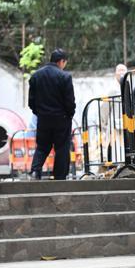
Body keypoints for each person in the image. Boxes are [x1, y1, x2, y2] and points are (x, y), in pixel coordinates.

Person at [28, 48, 75, 180]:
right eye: (65, 63)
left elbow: (31, 102)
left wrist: (40, 113)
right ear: (61, 61)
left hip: (43, 118)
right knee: (62, 148)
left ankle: (35, 171)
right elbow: (70, 102)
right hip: (62, 119)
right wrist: (69, 114)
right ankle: (59, 177)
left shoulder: (36, 76)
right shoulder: (65, 76)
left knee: (42, 145)